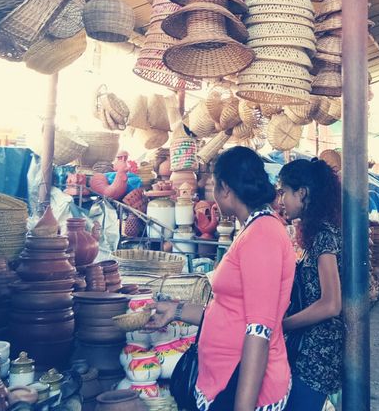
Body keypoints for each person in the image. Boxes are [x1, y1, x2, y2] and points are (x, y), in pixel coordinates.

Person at [146, 147, 295, 410]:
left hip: (242, 387)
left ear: (225, 188)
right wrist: (177, 310)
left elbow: (259, 331)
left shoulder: (263, 235)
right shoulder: (254, 228)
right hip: (227, 380)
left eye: (214, 185)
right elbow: (230, 312)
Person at [278, 159, 344, 411]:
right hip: (313, 347)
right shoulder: (321, 231)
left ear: (302, 192)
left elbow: (330, 304)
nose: (281, 199)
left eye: (284, 191)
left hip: (318, 353)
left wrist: (282, 326)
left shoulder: (323, 235)